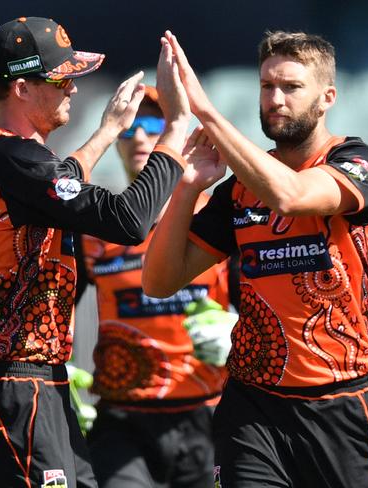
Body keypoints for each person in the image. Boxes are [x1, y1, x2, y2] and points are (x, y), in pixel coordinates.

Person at [143, 31, 368, 487]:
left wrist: (205, 112)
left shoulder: (361, 163)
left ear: (326, 97)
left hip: (340, 408)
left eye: (291, 87)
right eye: (266, 86)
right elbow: (159, 280)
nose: (275, 99)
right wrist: (189, 185)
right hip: (252, 409)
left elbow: (290, 195)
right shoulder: (240, 190)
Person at [0, 16, 192, 488]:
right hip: (14, 383)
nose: (73, 89)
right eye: (61, 78)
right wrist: (176, 132)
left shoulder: (7, 156)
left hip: (34, 379)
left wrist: (106, 133)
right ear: (22, 88)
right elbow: (130, 220)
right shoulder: (13, 156)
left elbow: (55, 181)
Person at [75, 85, 235, 488]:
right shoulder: (97, 225)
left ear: (176, 130)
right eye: (128, 129)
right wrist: (59, 377)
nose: (140, 138)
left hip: (206, 414)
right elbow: (58, 311)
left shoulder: (215, 219)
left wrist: (235, 333)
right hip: (122, 418)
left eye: (152, 124)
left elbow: (264, 306)